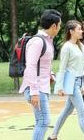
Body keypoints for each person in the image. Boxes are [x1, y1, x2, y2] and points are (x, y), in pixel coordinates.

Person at [19, 9, 62, 140]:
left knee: (42, 121)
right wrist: (34, 92)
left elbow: (44, 64)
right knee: (43, 122)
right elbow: (30, 67)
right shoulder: (37, 41)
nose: (60, 28)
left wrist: (51, 75)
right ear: (54, 25)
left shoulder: (48, 40)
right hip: (36, 89)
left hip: (42, 87)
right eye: (60, 25)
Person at [48, 20, 84, 140]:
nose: (82, 31)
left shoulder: (78, 46)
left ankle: (53, 135)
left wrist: (82, 84)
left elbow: (80, 67)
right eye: (79, 29)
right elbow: (62, 68)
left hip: (78, 82)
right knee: (83, 113)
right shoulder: (67, 47)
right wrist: (59, 87)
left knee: (67, 111)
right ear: (71, 31)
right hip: (71, 83)